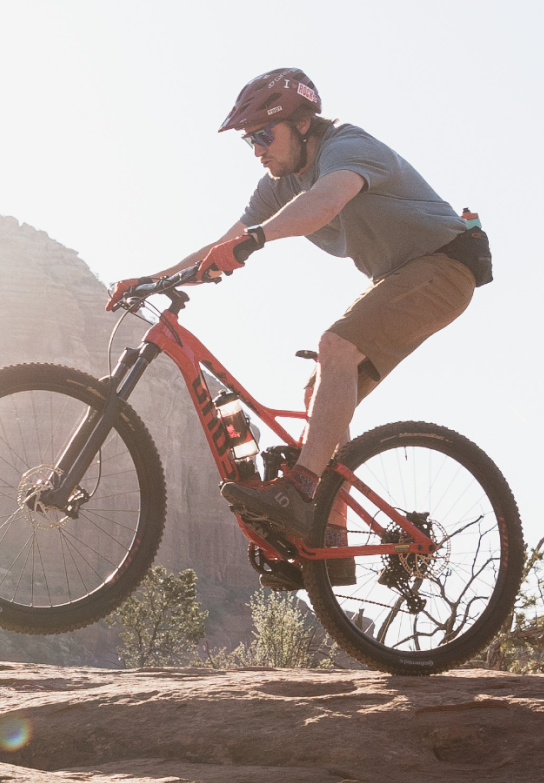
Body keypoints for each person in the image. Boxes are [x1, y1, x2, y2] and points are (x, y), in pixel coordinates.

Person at [135, 68, 490, 589]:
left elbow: (324, 202)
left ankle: (302, 489)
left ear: (303, 123)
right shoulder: (277, 184)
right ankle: (331, 538)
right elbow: (221, 246)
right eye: (247, 140)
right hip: (403, 276)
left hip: (444, 265)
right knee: (321, 384)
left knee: (336, 347)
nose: (256, 149)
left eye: (263, 135)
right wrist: (150, 280)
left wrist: (257, 239)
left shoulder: (348, 146)